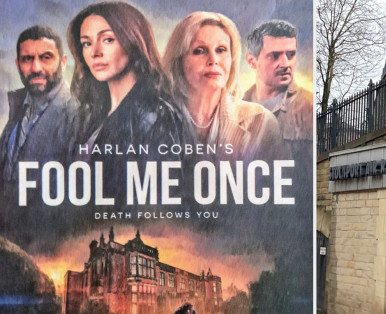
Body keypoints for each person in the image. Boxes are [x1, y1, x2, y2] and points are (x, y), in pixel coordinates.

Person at [67, 2, 185, 197]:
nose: (95, 52)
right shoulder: (91, 114)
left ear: (133, 42)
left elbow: (159, 203)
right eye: (86, 43)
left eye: (107, 40)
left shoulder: (155, 114)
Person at [163, 12, 280, 160]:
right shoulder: (154, 120)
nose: (213, 60)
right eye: (200, 51)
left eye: (221, 50)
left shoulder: (261, 123)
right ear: (178, 61)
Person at [0, 26, 78, 200]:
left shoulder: (78, 116)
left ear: (63, 62)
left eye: (46, 57)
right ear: (18, 64)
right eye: (27, 59)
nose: (36, 67)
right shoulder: (17, 109)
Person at [243, 20, 312, 159]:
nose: (286, 63)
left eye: (291, 54)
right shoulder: (235, 109)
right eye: (275, 56)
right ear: (252, 61)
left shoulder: (309, 107)